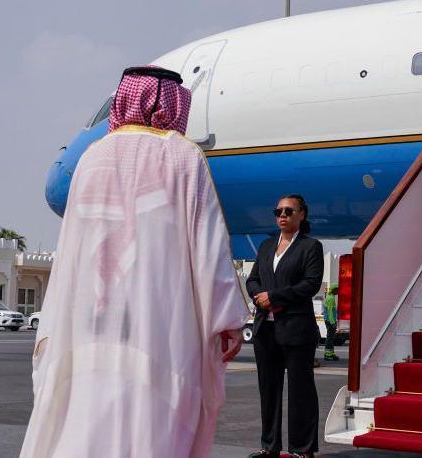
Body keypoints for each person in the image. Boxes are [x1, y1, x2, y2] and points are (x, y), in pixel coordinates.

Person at [20, 66, 247, 457]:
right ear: (173, 103)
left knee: (86, 418)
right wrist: (225, 319)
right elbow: (209, 250)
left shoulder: (92, 157)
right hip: (160, 330)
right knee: (152, 424)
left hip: (91, 326)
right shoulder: (184, 157)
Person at [246, 195, 324, 458]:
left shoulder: (311, 247)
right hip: (265, 330)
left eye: (289, 211)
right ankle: (270, 447)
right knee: (268, 391)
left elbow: (310, 284)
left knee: (301, 390)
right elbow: (253, 279)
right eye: (278, 210)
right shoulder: (267, 245)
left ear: (301, 214)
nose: (282, 215)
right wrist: (259, 296)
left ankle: (302, 449)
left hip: (296, 329)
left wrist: (275, 297)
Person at [323, 283, 339, 361]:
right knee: (330, 338)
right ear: (334, 290)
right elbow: (330, 312)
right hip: (330, 321)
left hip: (329, 320)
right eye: (338, 290)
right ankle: (328, 355)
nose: (339, 291)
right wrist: (333, 323)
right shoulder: (331, 298)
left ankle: (331, 353)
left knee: (331, 337)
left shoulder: (330, 297)